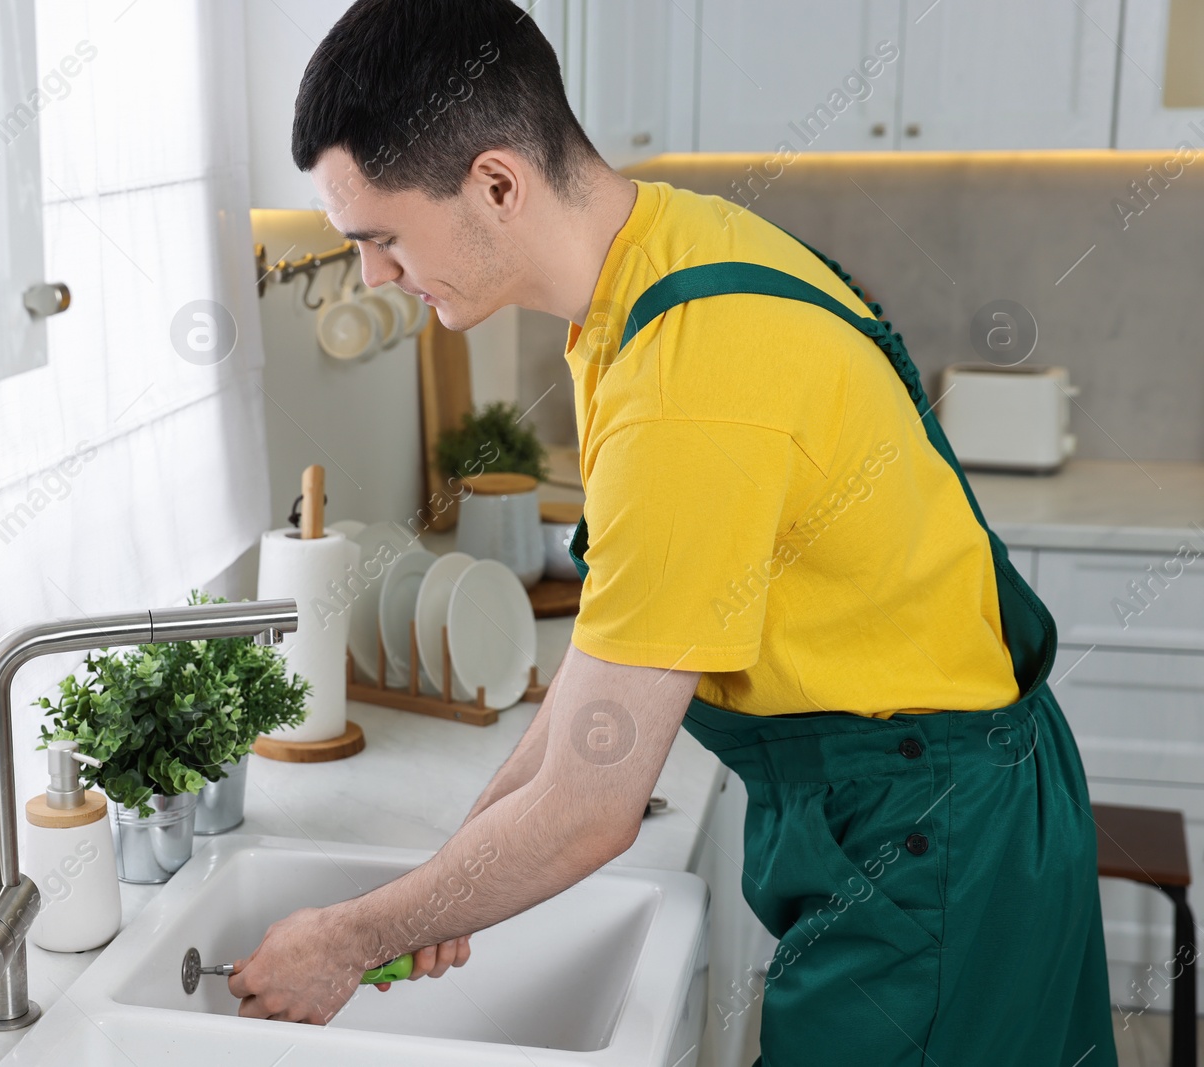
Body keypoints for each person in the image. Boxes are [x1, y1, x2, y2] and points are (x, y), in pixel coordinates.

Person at [227, 1, 1117, 1062]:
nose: (374, 274)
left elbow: (590, 803)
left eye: (379, 237)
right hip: (922, 804)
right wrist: (452, 881)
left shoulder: (686, 379)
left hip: (930, 837)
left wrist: (347, 936)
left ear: (497, 184)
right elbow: (584, 706)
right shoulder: (654, 262)